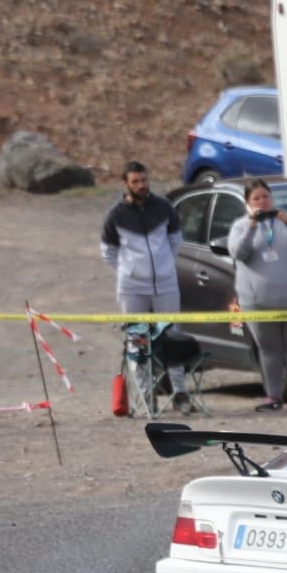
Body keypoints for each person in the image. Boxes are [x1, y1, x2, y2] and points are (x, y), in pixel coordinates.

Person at [100, 160, 189, 411]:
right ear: (125, 184)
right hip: (132, 287)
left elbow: (175, 239)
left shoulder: (163, 207)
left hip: (166, 284)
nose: (141, 185)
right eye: (136, 181)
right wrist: (128, 272)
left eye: (144, 180)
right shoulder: (115, 215)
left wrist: (165, 267)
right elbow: (108, 251)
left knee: (173, 336)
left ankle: (180, 392)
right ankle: (146, 394)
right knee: (136, 338)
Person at [228, 179, 287, 411]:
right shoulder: (240, 226)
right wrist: (251, 227)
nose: (262, 202)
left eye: (265, 196)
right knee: (269, 350)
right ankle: (273, 397)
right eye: (256, 198)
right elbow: (238, 253)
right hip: (258, 304)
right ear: (248, 203)